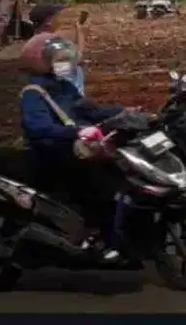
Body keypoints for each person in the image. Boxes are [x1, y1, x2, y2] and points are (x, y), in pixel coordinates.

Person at [19, 32, 126, 262]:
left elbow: (90, 111)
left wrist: (123, 113)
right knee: (103, 187)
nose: (66, 66)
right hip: (49, 156)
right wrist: (76, 131)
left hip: (72, 149)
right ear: (43, 63)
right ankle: (100, 240)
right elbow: (39, 129)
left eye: (67, 60)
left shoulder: (65, 88)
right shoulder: (33, 93)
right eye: (59, 61)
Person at [28, 3, 88, 95]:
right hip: (65, 99)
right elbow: (76, 58)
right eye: (58, 17)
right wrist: (79, 31)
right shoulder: (54, 42)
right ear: (49, 21)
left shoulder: (33, 42)